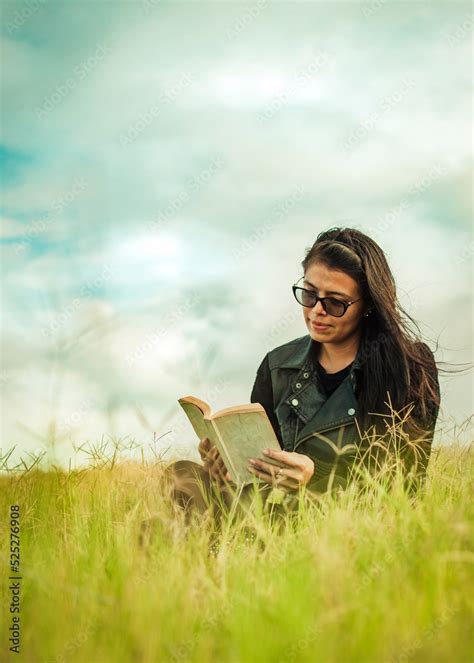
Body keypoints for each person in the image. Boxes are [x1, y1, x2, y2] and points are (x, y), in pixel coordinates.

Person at [161, 227, 441, 529]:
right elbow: (260, 466)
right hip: (269, 510)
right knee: (181, 475)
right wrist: (227, 465)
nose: (317, 311)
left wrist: (314, 476)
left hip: (341, 523)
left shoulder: (409, 367)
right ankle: (205, 551)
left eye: (335, 302)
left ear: (369, 306)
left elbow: (403, 484)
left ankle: (211, 547)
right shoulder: (277, 364)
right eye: (309, 294)